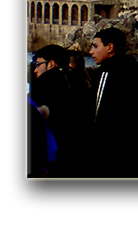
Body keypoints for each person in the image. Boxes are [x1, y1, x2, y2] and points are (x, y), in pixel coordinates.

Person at [89, 27, 138, 177]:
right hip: (133, 151)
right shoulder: (132, 69)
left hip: (109, 151)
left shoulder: (106, 72)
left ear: (110, 47)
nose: (91, 52)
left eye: (95, 46)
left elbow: (97, 113)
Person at [29, 44, 92, 177]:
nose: (35, 70)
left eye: (38, 64)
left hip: (52, 154)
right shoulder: (82, 82)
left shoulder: (44, 83)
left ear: (51, 64)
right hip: (80, 154)